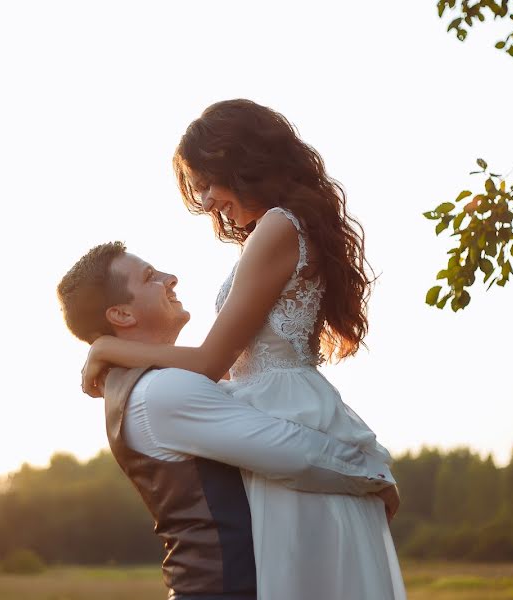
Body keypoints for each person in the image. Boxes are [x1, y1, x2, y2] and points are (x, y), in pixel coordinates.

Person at [81, 100, 406, 599]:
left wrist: (107, 347)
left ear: (243, 161)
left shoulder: (279, 226)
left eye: (208, 182)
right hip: (282, 407)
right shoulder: (284, 227)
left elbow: (210, 362)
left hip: (287, 414)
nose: (208, 201)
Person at [58, 241, 398, 600]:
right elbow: (298, 454)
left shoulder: (153, 388)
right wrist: (374, 476)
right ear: (122, 315)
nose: (170, 278)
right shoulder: (162, 391)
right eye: (149, 277)